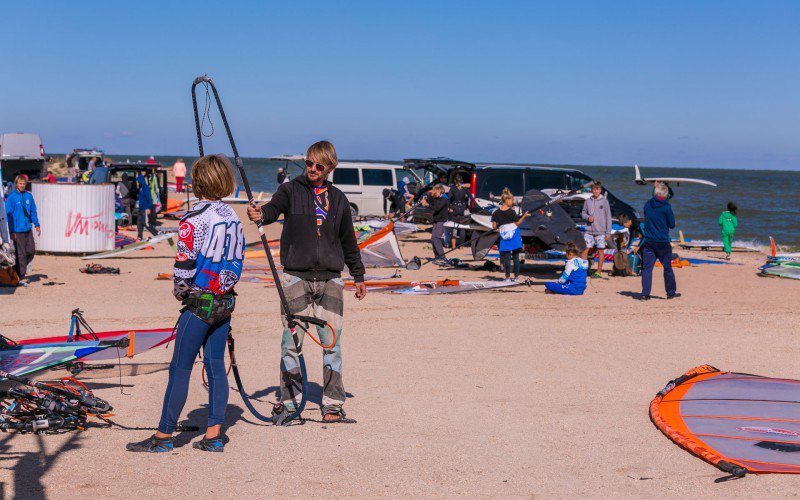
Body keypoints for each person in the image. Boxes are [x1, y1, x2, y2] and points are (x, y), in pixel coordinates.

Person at [127, 155, 243, 453]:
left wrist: (181, 291)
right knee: (215, 365)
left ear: (199, 182)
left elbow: (184, 265)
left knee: (180, 368)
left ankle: (164, 436)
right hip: (225, 302)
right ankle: (214, 435)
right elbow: (236, 258)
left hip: (201, 303)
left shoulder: (194, 218)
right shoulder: (232, 215)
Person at [247, 141, 366, 422]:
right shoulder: (290, 190)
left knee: (332, 344)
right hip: (295, 277)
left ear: (330, 167)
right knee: (291, 343)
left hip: (331, 279)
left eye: (318, 165)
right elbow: (273, 209)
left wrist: (358, 275)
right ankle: (290, 403)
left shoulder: (338, 199)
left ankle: (332, 404)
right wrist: (260, 214)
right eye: (309, 163)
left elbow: (348, 240)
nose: (312, 169)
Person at [639, 181, 679, 300]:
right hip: (662, 241)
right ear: (665, 195)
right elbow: (671, 225)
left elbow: (649, 217)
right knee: (667, 267)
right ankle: (670, 292)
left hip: (649, 240)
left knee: (647, 268)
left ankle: (645, 293)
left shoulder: (647, 204)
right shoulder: (666, 206)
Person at [5, 176, 40, 282]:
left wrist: (37, 224)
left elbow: (33, 211)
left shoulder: (29, 196)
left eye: (24, 183)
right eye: (20, 183)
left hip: (27, 229)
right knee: (21, 254)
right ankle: (20, 276)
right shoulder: (11, 197)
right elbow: (8, 216)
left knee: (31, 251)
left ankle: (17, 270)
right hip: (17, 230)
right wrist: (11, 231)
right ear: (16, 184)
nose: (22, 185)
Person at [490, 188, 530, 282]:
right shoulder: (512, 212)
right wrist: (524, 216)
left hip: (504, 236)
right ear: (507, 200)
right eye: (512, 200)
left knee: (507, 258)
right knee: (516, 257)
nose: (513, 202)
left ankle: (507, 278)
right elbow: (517, 223)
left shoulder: (496, 213)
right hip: (514, 235)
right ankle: (516, 277)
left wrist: (501, 224)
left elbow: (494, 227)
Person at [580, 181, 612, 278]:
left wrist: (608, 233)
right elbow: (583, 213)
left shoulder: (605, 201)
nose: (596, 191)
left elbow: (608, 217)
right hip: (588, 231)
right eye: (594, 189)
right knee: (584, 251)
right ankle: (584, 271)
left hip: (601, 232)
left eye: (597, 189)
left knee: (600, 251)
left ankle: (598, 272)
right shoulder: (587, 201)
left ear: (600, 190)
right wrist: (588, 217)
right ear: (592, 190)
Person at [421, 184, 449, 264]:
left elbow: (436, 208)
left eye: (435, 191)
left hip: (441, 221)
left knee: (437, 238)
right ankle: (437, 256)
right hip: (436, 220)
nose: (434, 193)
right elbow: (432, 204)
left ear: (439, 191)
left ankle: (443, 257)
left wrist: (427, 204)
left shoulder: (444, 199)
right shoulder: (437, 198)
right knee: (433, 239)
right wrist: (430, 195)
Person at [448, 175, 473, 247]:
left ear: (454, 181)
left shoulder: (453, 188)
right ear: (462, 181)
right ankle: (461, 246)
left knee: (454, 227)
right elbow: (471, 198)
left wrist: (450, 207)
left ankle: (453, 246)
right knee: (462, 227)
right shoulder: (464, 188)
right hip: (463, 208)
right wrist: (468, 207)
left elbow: (449, 198)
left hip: (454, 208)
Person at [136, 172, 153, 240]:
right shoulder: (140, 188)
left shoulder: (146, 188)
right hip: (141, 209)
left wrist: (149, 208)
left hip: (145, 208)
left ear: (141, 181)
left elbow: (149, 199)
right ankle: (139, 237)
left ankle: (157, 233)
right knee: (139, 223)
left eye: (138, 181)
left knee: (146, 223)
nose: (137, 183)